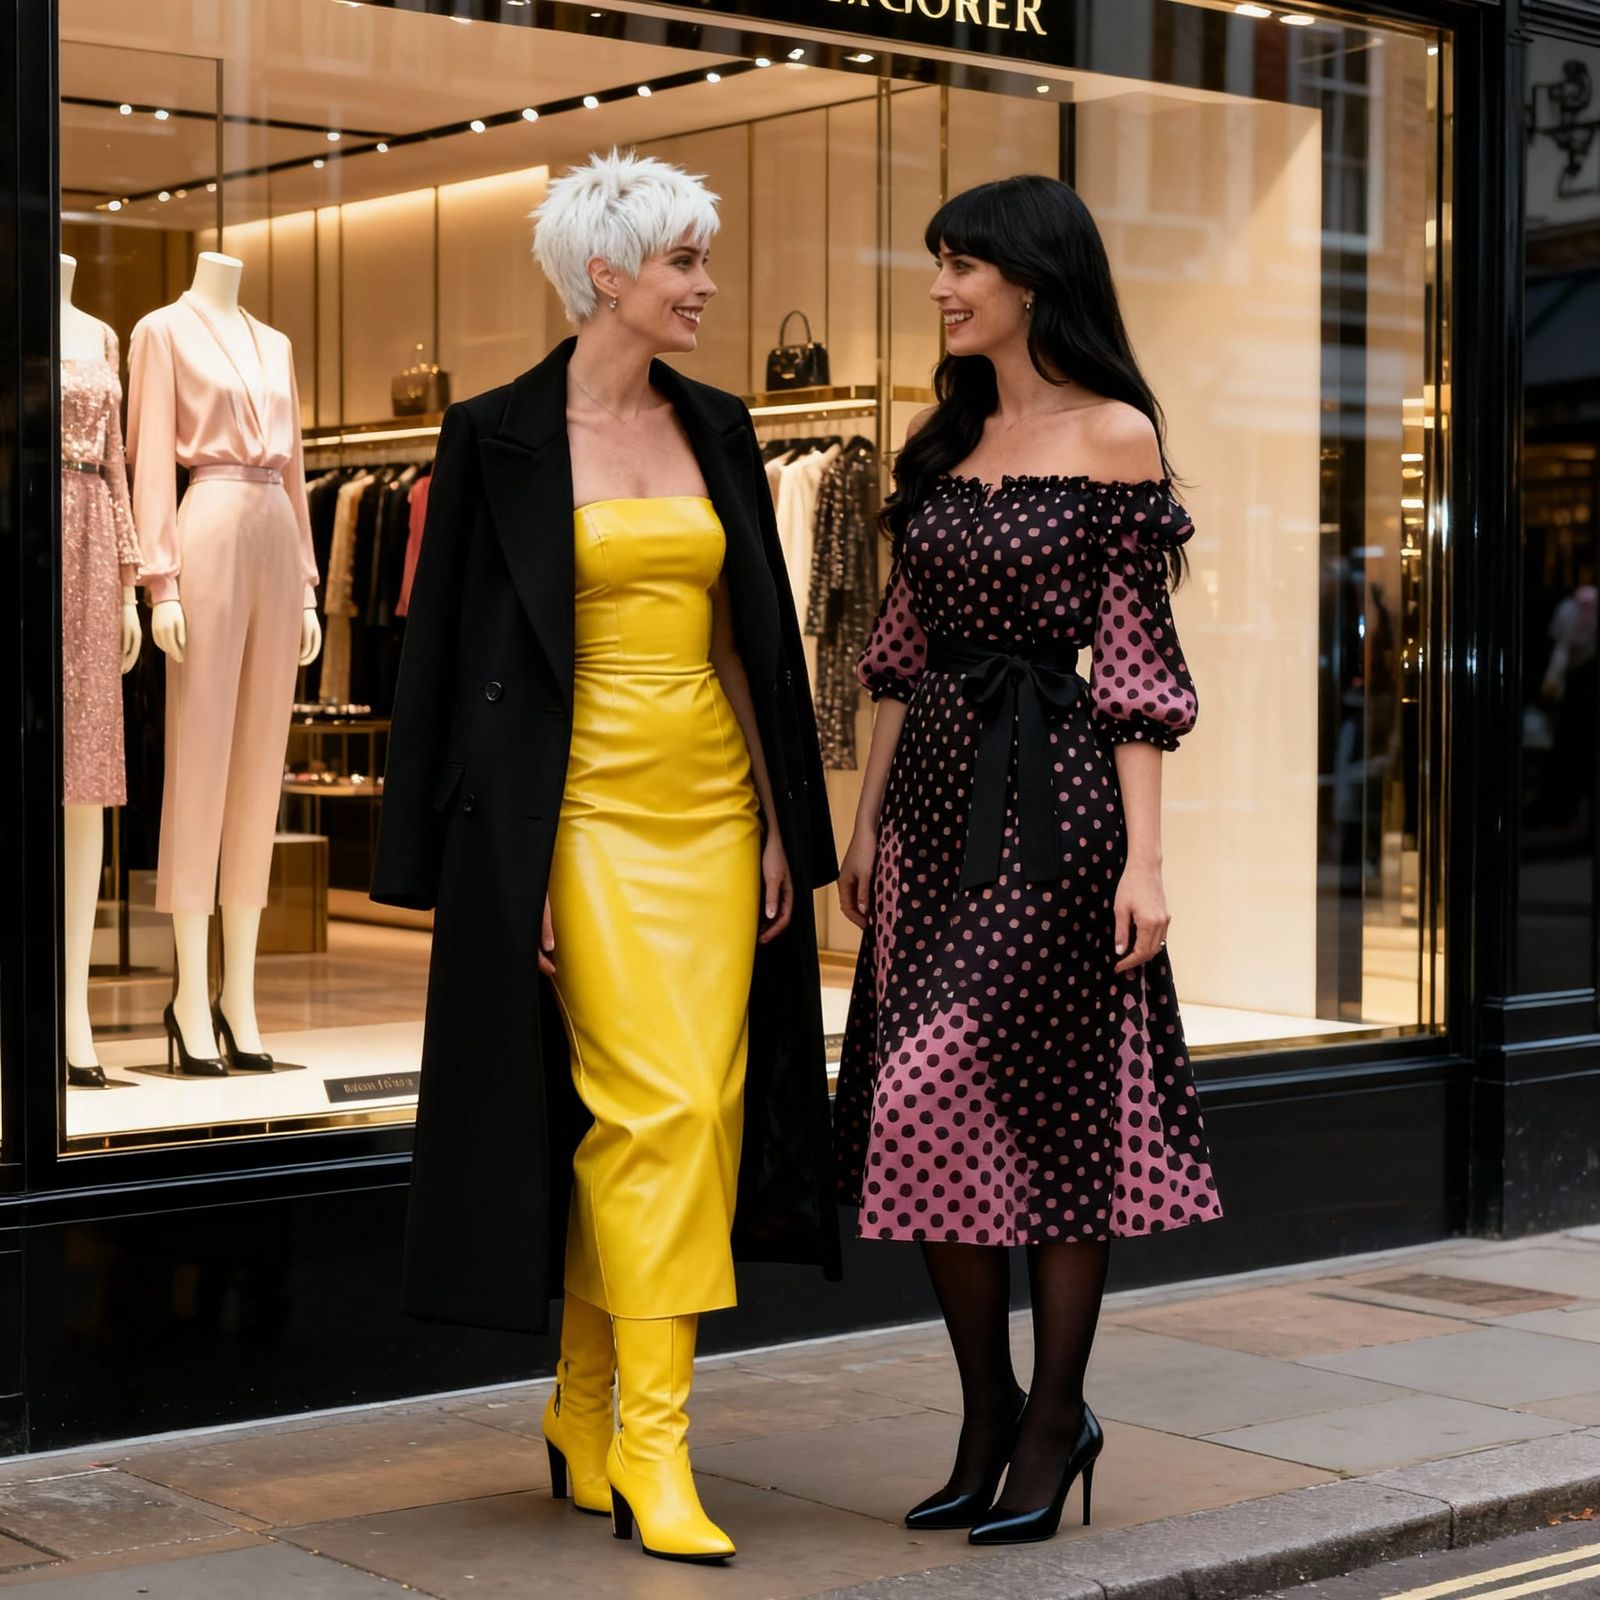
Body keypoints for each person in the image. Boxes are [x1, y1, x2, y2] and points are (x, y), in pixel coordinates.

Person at [371, 149, 840, 1566]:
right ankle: (657, 1441)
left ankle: (589, 1408)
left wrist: (773, 816)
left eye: (701, 259)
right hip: (565, 813)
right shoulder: (492, 435)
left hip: (705, 798)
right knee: (660, 1113)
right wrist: (465, 873)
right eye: (685, 263)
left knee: (683, 1107)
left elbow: (746, 640)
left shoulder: (720, 423)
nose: (706, 286)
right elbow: (440, 664)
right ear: (606, 276)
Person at [832, 174, 1224, 1547]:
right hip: (935, 797)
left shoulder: (1116, 437)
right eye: (938, 262)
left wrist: (1148, 864)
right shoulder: (939, 442)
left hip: (1056, 809)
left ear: (1034, 280)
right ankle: (989, 1411)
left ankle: (1056, 1416)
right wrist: (866, 820)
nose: (942, 285)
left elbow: (1134, 667)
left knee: (1024, 1102)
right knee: (923, 1103)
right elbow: (895, 655)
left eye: (964, 263)